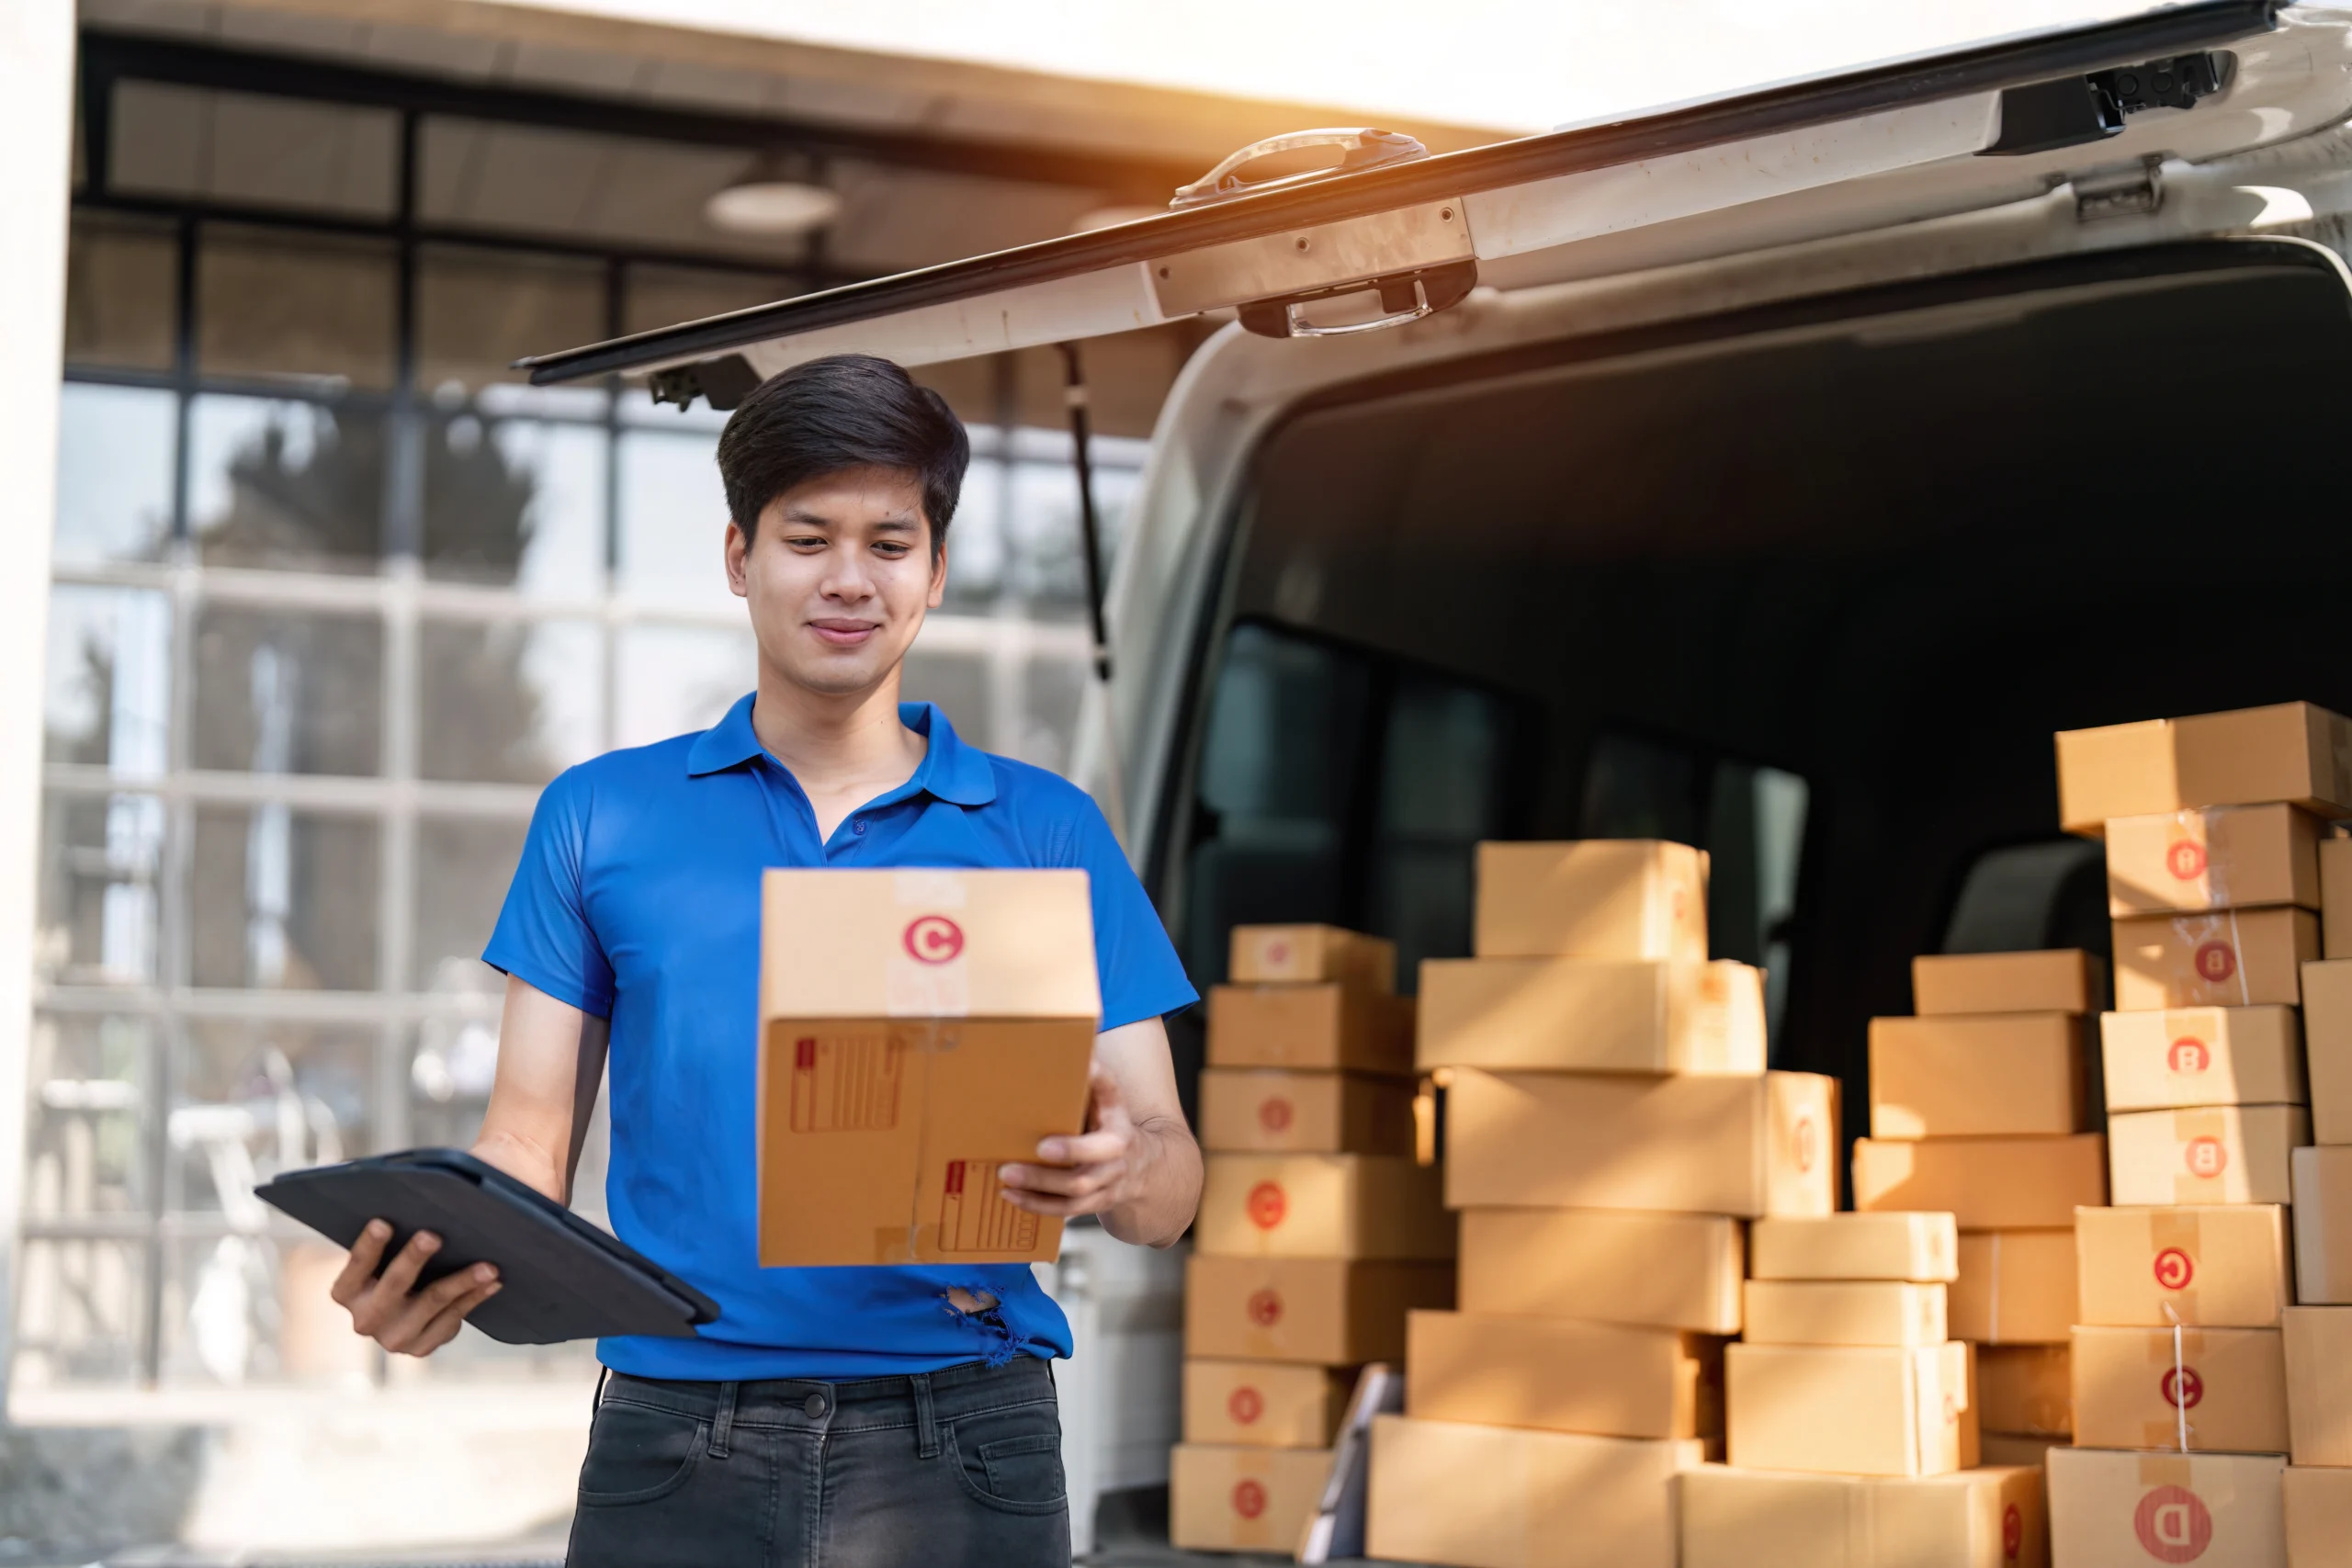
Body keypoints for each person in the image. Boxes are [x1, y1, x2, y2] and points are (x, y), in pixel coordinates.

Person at [328, 354, 1202, 1565]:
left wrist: (1120, 1165)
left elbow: (1174, 1185)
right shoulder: (601, 817)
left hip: (963, 1433)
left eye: (890, 543)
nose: (850, 578)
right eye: (808, 537)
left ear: (934, 572)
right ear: (740, 558)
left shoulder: (1047, 830)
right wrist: (438, 1256)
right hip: (676, 1434)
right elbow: (525, 1147)